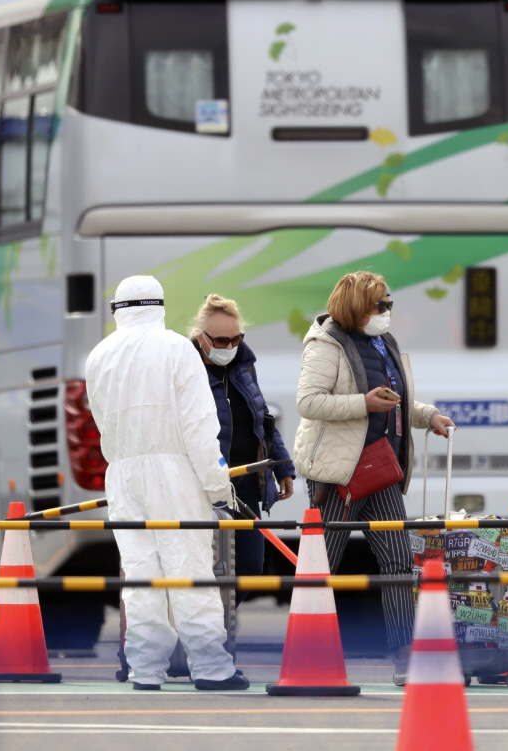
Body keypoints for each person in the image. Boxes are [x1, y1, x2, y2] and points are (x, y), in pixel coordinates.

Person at [85, 275, 247, 691]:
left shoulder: (98, 356)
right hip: (174, 473)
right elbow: (198, 426)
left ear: (117, 310)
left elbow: (100, 420)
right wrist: (216, 485)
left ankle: (146, 669)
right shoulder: (177, 348)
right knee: (188, 568)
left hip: (122, 474)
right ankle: (212, 667)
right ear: (158, 305)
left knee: (140, 575)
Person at [293, 271, 455, 686]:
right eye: (379, 305)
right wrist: (363, 404)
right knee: (320, 564)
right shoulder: (326, 344)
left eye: (389, 303)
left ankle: (406, 657)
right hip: (338, 473)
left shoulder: (384, 343)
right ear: (356, 307)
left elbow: (395, 400)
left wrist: (427, 416)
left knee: (399, 560)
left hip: (381, 467)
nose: (386, 312)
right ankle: (307, 655)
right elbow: (309, 402)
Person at [189, 295, 296, 605]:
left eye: (237, 339)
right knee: (204, 567)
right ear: (201, 338)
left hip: (247, 481)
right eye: (222, 340)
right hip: (205, 485)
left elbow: (263, 420)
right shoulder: (186, 370)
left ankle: (218, 622)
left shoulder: (245, 367)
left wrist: (283, 467)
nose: (230, 346)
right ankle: (207, 630)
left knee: (249, 566)